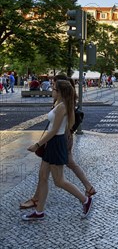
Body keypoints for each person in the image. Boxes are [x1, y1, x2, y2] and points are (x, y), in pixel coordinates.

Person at [20, 76, 96, 211]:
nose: (51, 91)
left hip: (56, 143)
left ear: (60, 92)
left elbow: (54, 130)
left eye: (54, 88)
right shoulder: (59, 104)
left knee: (59, 181)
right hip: (53, 143)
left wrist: (37, 145)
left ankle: (85, 200)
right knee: (43, 176)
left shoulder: (62, 107)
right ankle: (39, 211)